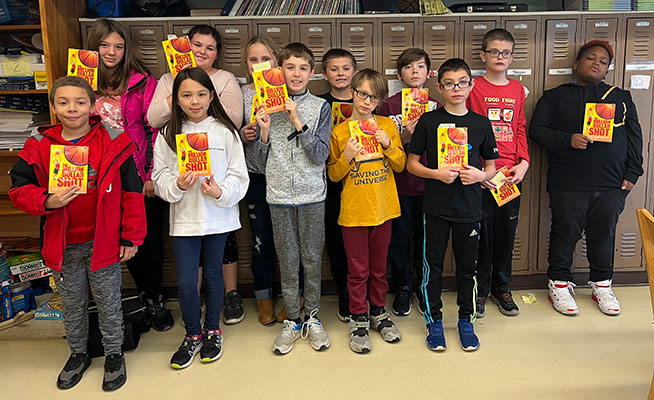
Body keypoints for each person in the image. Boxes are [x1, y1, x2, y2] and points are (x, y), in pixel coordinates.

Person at [9, 76, 146, 391]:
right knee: (70, 301)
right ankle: (78, 352)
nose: (72, 108)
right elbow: (19, 189)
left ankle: (113, 353)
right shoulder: (40, 145)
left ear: (93, 105)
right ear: (54, 106)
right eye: (63, 102)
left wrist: (131, 237)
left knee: (108, 299)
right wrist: (48, 200)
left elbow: (132, 193)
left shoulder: (113, 139)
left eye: (80, 101)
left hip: (104, 241)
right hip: (63, 242)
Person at [529, 40, 643, 316]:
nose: (596, 63)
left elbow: (634, 137)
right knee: (564, 233)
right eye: (591, 58)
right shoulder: (555, 97)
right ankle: (558, 283)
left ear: (607, 70)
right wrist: (568, 140)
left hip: (611, 182)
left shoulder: (620, 97)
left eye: (602, 62)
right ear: (576, 64)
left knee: (603, 234)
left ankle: (602, 285)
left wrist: (633, 172)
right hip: (568, 181)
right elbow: (537, 130)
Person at [147, 24, 246, 324]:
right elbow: (159, 175)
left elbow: (238, 177)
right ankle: (192, 332)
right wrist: (176, 185)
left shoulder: (226, 132)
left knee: (215, 275)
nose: (194, 101)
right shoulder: (167, 133)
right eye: (187, 95)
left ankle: (213, 329)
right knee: (188, 283)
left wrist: (220, 192)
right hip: (185, 218)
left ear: (212, 96)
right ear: (176, 99)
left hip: (218, 215)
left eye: (202, 94)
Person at [86, 18, 173, 331]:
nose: (111, 52)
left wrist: (150, 173)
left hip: (138, 173)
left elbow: (154, 129)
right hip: (100, 177)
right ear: (94, 47)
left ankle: (156, 299)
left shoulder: (142, 82)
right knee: (118, 242)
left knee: (148, 242)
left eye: (118, 46)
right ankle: (138, 298)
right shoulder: (83, 82)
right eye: (105, 45)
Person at [407, 58, 498, 352]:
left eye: (462, 82)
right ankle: (433, 322)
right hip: (435, 207)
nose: (456, 88)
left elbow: (493, 166)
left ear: (471, 85)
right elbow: (411, 164)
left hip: (470, 209)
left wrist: (481, 175)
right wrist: (435, 173)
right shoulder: (429, 121)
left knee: (467, 269)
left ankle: (465, 320)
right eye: (449, 84)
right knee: (431, 267)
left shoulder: (481, 123)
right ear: (439, 87)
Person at [253, 43, 331, 355]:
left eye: (302, 68)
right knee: (287, 259)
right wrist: (264, 131)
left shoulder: (320, 107)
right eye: (289, 67)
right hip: (278, 195)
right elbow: (259, 163)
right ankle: (292, 320)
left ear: (312, 73)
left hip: (312, 195)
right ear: (279, 70)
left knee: (312, 257)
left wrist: (298, 121)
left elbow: (320, 156)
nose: (296, 74)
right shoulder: (263, 103)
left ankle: (312, 316)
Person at [328, 68, 405, 353]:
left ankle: (379, 313)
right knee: (357, 270)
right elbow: (334, 176)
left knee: (378, 268)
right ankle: (358, 316)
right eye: (361, 94)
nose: (366, 101)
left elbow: (400, 165)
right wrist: (347, 156)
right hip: (353, 210)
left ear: (380, 100)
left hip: (384, 207)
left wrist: (387, 145)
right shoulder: (339, 132)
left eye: (373, 97)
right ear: (352, 93)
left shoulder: (387, 126)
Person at [467, 28, 529, 318]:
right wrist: (479, 172)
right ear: (483, 55)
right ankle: (479, 289)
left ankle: (502, 287)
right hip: (481, 178)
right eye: (494, 51)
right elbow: (461, 130)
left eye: (505, 52)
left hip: (509, 177)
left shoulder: (517, 89)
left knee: (505, 235)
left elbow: (519, 128)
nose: (500, 57)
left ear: (512, 57)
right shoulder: (473, 88)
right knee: (480, 236)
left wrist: (524, 162)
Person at [378, 48, 440, 316]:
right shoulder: (388, 106)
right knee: (399, 240)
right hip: (398, 185)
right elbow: (379, 149)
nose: (415, 72)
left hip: (431, 185)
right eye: (408, 67)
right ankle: (403, 285)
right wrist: (404, 137)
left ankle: (424, 288)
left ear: (429, 73)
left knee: (426, 240)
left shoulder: (438, 105)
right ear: (399, 74)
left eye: (420, 67)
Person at [239, 35, 280, 325]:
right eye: (253, 59)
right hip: (255, 176)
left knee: (291, 243)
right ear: (246, 64)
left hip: (285, 178)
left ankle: (296, 295)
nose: (259, 64)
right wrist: (244, 134)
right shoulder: (242, 94)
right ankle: (263, 296)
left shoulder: (287, 91)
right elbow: (229, 135)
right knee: (260, 241)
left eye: (265, 58)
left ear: (276, 62)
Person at [318, 48, 357, 322]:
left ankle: (359, 289)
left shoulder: (365, 101)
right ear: (324, 74)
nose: (340, 73)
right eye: (334, 68)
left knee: (360, 237)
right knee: (335, 236)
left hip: (362, 179)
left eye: (345, 68)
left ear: (354, 72)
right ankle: (344, 288)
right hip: (329, 178)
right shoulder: (319, 104)